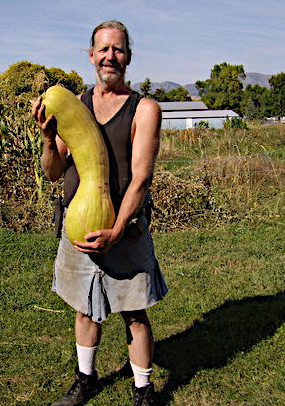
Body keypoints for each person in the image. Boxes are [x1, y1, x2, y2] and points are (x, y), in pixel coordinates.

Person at [32, 20, 167, 406]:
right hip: (78, 224)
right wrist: (46, 137)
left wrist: (118, 228)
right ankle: (85, 380)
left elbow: (141, 178)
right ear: (91, 56)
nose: (111, 56)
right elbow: (54, 171)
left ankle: (143, 391)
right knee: (84, 311)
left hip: (127, 228)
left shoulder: (144, 108)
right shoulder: (73, 105)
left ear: (128, 57)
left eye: (118, 49)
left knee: (134, 314)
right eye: (103, 49)